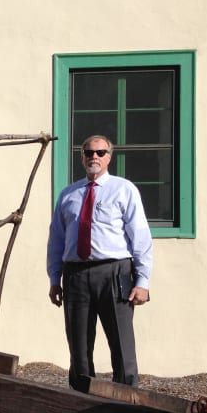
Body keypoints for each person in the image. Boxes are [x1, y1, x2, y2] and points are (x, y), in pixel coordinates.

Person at [46, 134, 152, 389]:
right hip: (76, 275)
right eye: (89, 152)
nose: (94, 156)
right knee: (79, 342)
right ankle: (83, 395)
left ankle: (126, 399)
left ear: (109, 157)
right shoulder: (68, 194)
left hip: (114, 273)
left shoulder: (124, 189)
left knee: (121, 341)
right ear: (82, 156)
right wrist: (54, 278)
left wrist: (142, 280)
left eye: (100, 152)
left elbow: (140, 236)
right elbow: (57, 239)